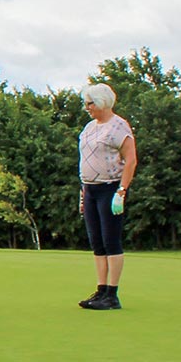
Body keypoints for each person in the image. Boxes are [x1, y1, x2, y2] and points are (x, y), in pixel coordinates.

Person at [76, 83, 136, 310]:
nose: (87, 108)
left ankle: (112, 294)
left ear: (102, 102)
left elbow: (130, 159)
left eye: (90, 103)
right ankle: (101, 290)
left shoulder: (119, 126)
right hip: (90, 189)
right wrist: (83, 192)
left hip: (110, 188)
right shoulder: (89, 128)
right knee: (97, 242)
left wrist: (122, 191)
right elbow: (86, 160)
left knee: (111, 240)